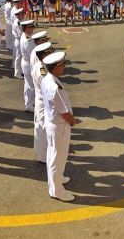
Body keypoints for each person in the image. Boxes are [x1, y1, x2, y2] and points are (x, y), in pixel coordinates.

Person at [41, 51, 79, 202]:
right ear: (56, 67)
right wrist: (73, 121)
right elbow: (64, 113)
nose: (64, 67)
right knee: (58, 158)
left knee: (53, 155)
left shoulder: (48, 79)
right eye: (62, 65)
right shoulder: (55, 87)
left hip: (53, 124)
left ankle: (56, 181)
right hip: (59, 126)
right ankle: (57, 191)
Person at [31, 42, 53, 163]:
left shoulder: (40, 66)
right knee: (43, 129)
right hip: (44, 103)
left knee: (39, 128)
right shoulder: (42, 70)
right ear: (44, 55)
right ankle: (44, 157)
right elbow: (48, 90)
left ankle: (41, 153)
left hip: (40, 101)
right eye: (49, 52)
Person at [20, 20, 36, 112]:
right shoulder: (28, 40)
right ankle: (29, 105)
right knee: (31, 85)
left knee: (28, 84)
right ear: (27, 28)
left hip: (26, 63)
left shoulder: (26, 36)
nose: (33, 29)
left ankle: (29, 103)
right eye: (31, 27)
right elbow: (32, 55)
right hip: (29, 63)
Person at [11, 7, 25, 78]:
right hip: (19, 40)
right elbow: (21, 33)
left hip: (20, 40)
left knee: (21, 56)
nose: (24, 15)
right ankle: (17, 72)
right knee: (18, 57)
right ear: (19, 15)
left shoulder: (19, 21)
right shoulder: (18, 23)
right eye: (23, 14)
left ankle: (21, 70)